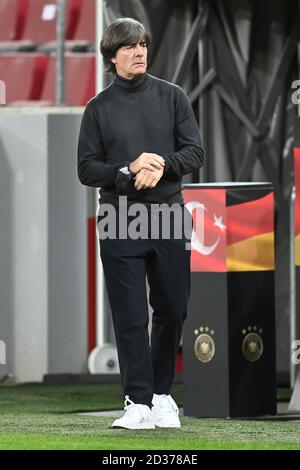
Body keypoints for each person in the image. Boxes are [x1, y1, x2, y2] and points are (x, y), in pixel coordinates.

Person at [77, 17, 205, 430]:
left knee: (172, 307)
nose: (139, 52)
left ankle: (162, 394)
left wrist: (161, 164)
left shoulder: (173, 96)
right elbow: (86, 169)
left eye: (143, 45)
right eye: (130, 47)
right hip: (120, 217)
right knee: (130, 314)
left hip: (168, 214)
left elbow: (195, 152)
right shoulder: (98, 108)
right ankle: (137, 402)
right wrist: (128, 170)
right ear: (112, 57)